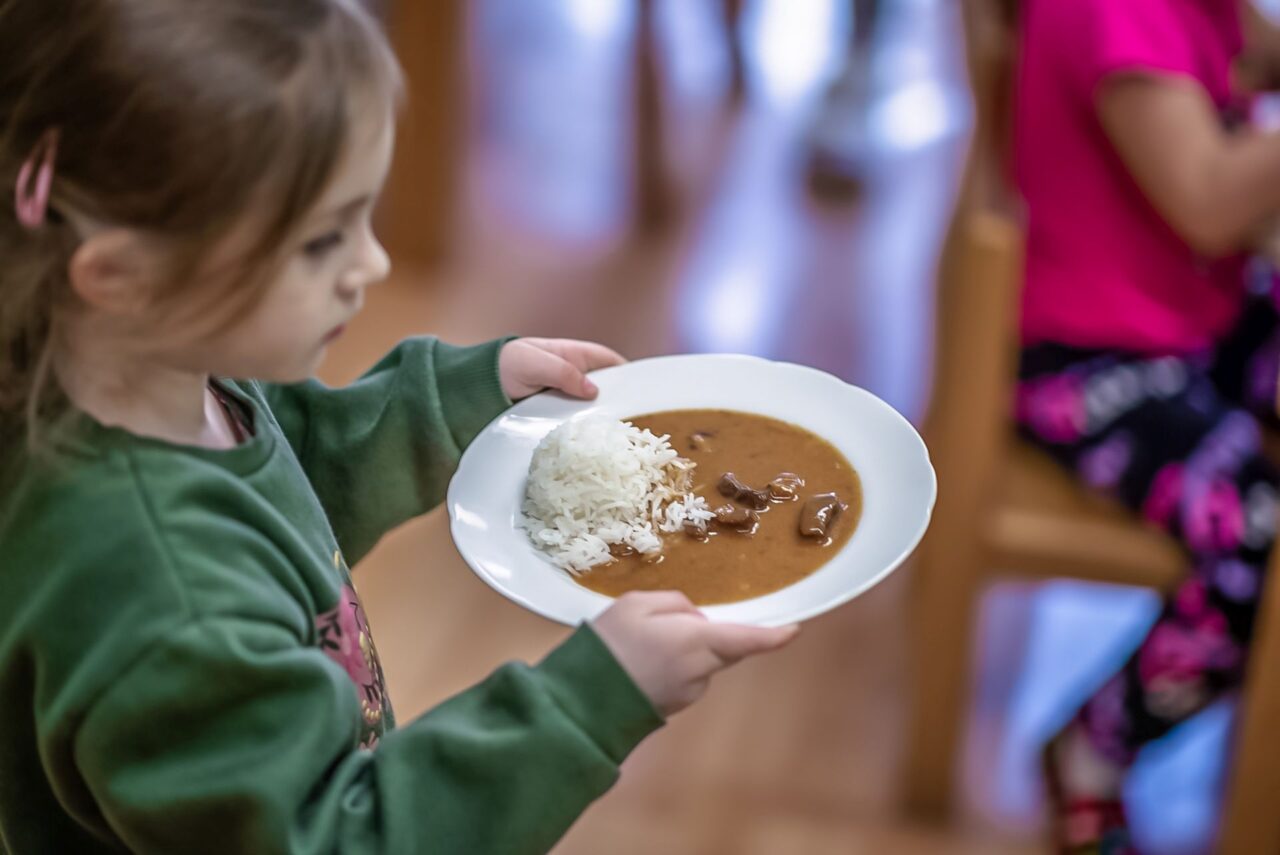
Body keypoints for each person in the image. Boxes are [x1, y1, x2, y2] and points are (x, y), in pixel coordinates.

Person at [0, 1, 799, 851]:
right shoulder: (170, 613)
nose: (371, 263)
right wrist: (583, 702)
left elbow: (287, 480)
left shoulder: (153, 380)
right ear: (119, 275)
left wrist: (453, 398)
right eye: (321, 240)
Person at [1014, 0, 1280, 851]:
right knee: (1257, 531)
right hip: (1086, 359)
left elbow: (1254, 57)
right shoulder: (1117, 11)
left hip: (1193, 317)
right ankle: (1091, 753)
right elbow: (1208, 202)